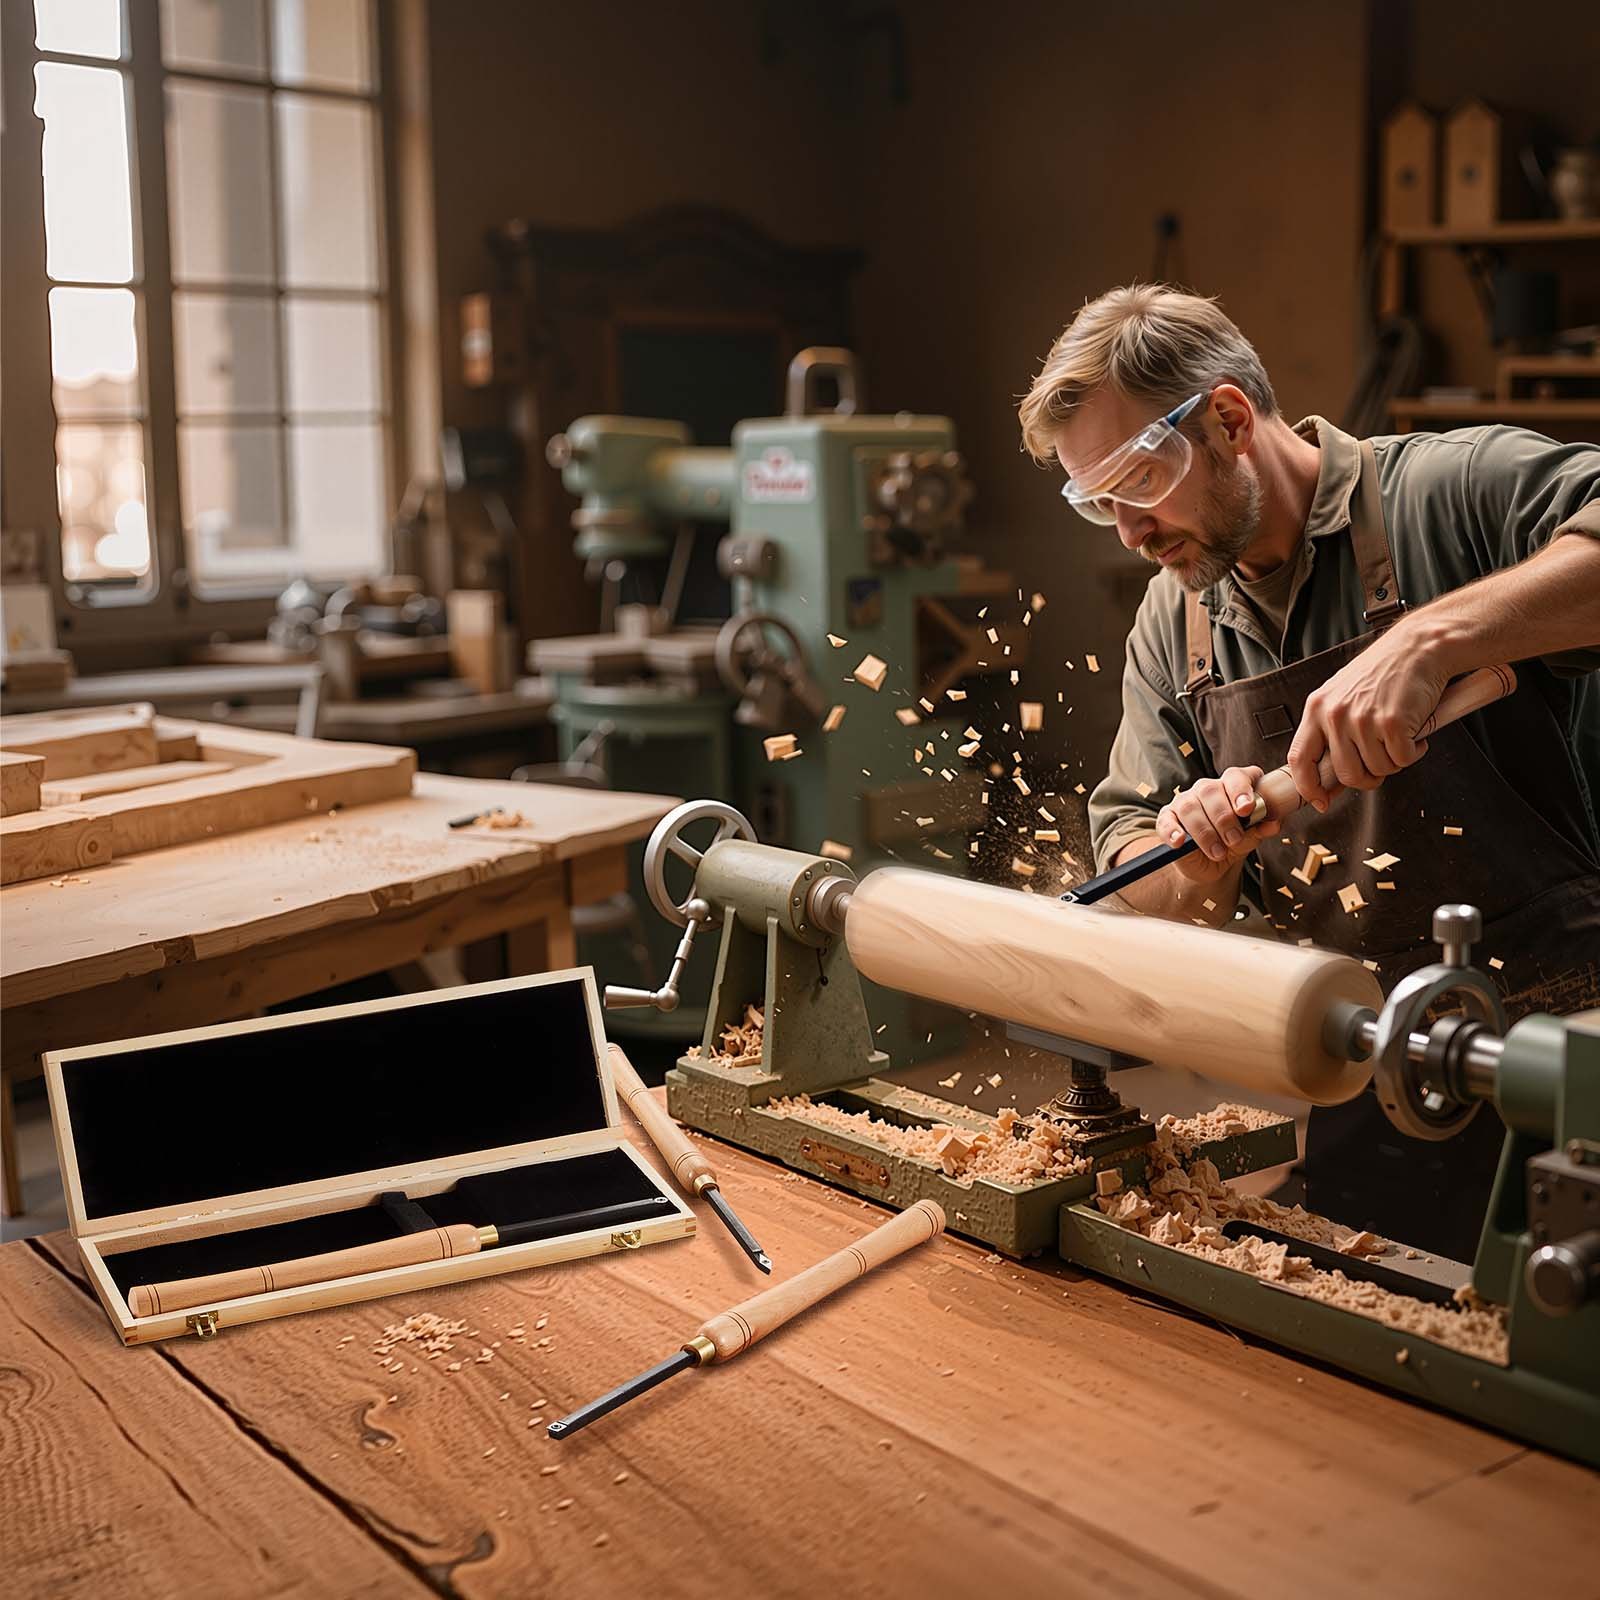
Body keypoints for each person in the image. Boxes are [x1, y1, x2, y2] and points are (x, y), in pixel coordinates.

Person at [1017, 283, 1600, 1260]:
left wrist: (1431, 637)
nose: (1127, 532)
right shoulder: (1176, 625)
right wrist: (1190, 853)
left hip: (1570, 1047)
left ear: (1228, 420)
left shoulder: (1445, 492)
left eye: (1136, 479)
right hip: (1377, 1062)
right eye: (1096, 502)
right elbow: (1127, 874)